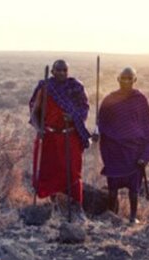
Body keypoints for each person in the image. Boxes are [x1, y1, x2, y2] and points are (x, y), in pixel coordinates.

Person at [29, 59, 91, 221]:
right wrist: (38, 128)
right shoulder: (45, 88)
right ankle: (56, 207)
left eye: (65, 70)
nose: (62, 73)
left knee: (72, 172)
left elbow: (84, 109)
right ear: (52, 72)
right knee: (50, 171)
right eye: (59, 70)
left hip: (70, 137)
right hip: (49, 136)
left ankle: (77, 208)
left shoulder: (75, 88)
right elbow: (34, 112)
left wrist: (72, 116)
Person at [96, 67, 149, 224]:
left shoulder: (140, 100)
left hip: (134, 151)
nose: (126, 81)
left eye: (129, 78)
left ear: (134, 80)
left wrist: (145, 156)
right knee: (112, 188)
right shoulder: (110, 99)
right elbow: (101, 123)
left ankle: (132, 217)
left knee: (134, 189)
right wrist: (97, 133)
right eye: (123, 78)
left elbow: (148, 128)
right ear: (118, 79)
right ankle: (111, 216)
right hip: (113, 150)